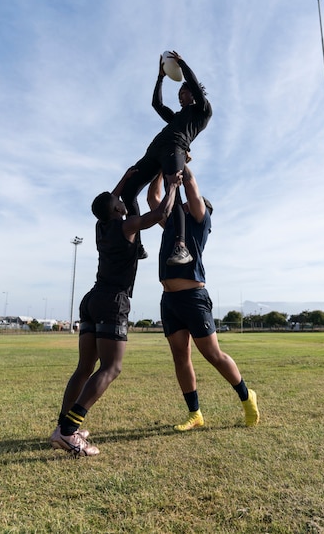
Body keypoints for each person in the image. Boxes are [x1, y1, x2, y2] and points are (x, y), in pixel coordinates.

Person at [50, 168, 182, 456]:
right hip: (113, 300)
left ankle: (61, 427)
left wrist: (125, 177)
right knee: (112, 367)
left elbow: (108, 201)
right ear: (116, 209)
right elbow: (160, 214)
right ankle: (69, 432)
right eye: (118, 201)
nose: (122, 200)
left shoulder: (100, 227)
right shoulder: (127, 226)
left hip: (92, 298)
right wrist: (172, 185)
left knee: (84, 368)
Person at [147, 166, 260, 431]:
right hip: (169, 300)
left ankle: (246, 396)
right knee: (180, 357)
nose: (183, 207)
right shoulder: (174, 224)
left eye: (188, 205)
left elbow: (191, 186)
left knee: (212, 354)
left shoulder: (200, 221)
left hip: (193, 297)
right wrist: (159, 169)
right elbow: (154, 199)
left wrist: (178, 161)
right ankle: (195, 413)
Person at [120, 50, 212, 266]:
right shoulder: (176, 118)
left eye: (184, 92)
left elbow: (197, 88)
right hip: (154, 151)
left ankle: (181, 247)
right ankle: (137, 245)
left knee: (174, 193)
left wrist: (182, 64)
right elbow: (157, 105)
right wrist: (160, 77)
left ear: (193, 93)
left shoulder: (202, 111)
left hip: (176, 148)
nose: (180, 96)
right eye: (179, 93)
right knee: (128, 191)